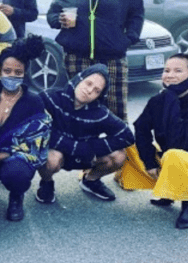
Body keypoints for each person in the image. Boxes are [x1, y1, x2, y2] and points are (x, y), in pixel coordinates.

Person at [46, 0, 144, 122]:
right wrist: (59, 20)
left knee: (116, 111)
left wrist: (129, 38)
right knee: (78, 108)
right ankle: (82, 149)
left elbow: (137, 14)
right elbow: (52, 15)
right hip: (76, 56)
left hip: (112, 57)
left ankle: (117, 149)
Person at [0, 35, 51, 221]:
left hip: (16, 157)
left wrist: (0, 156)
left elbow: (37, 142)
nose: (12, 76)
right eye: (7, 71)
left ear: (25, 74)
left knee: (16, 174)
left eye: (18, 72)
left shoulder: (34, 101)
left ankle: (16, 196)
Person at [36, 64, 134, 204]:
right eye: (88, 83)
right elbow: (35, 127)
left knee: (119, 156)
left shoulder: (100, 113)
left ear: (100, 95)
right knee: (50, 158)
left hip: (85, 155)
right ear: (79, 79)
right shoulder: (50, 97)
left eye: (96, 90)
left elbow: (127, 136)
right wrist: (74, 146)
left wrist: (92, 147)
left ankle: (90, 181)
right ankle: (46, 183)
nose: (89, 90)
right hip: (57, 152)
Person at [131, 54, 188, 229]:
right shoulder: (158, 100)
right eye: (166, 70)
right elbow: (141, 129)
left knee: (174, 155)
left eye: (178, 71)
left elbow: (182, 143)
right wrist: (149, 162)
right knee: (128, 145)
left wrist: (171, 98)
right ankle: (169, 190)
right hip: (173, 158)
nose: (170, 75)